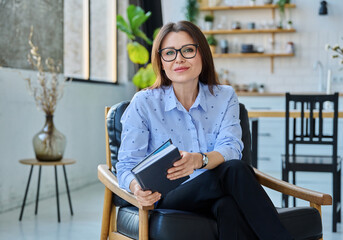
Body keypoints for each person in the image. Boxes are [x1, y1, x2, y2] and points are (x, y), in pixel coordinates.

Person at [116, 21, 292, 240]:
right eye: (169, 53)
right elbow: (125, 165)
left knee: (227, 205)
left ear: (202, 55)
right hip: (170, 195)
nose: (178, 59)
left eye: (188, 50)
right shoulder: (144, 102)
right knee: (236, 170)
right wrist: (136, 188)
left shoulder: (225, 96)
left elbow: (231, 147)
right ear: (161, 62)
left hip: (217, 190)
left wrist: (199, 160)